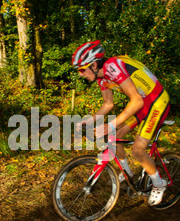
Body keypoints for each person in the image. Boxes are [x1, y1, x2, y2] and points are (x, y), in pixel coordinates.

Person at [72, 40, 170, 205]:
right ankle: (128, 173)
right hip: (142, 104)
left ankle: (160, 184)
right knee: (115, 137)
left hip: (156, 102)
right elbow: (108, 104)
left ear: (94, 65)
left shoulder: (112, 67)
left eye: (82, 69)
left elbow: (137, 101)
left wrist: (109, 124)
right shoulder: (102, 78)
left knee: (138, 150)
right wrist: (89, 120)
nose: (81, 74)